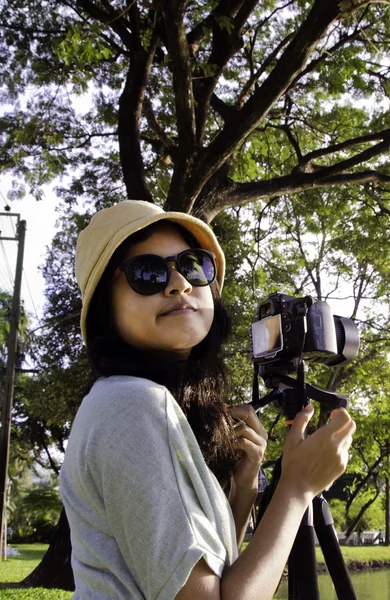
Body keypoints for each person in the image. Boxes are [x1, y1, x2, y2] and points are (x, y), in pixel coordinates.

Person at [59, 200, 356, 600]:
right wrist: (297, 488)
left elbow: (210, 577)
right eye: (147, 273)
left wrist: (244, 488)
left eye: (193, 265)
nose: (179, 283)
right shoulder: (134, 403)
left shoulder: (133, 402)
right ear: (104, 311)